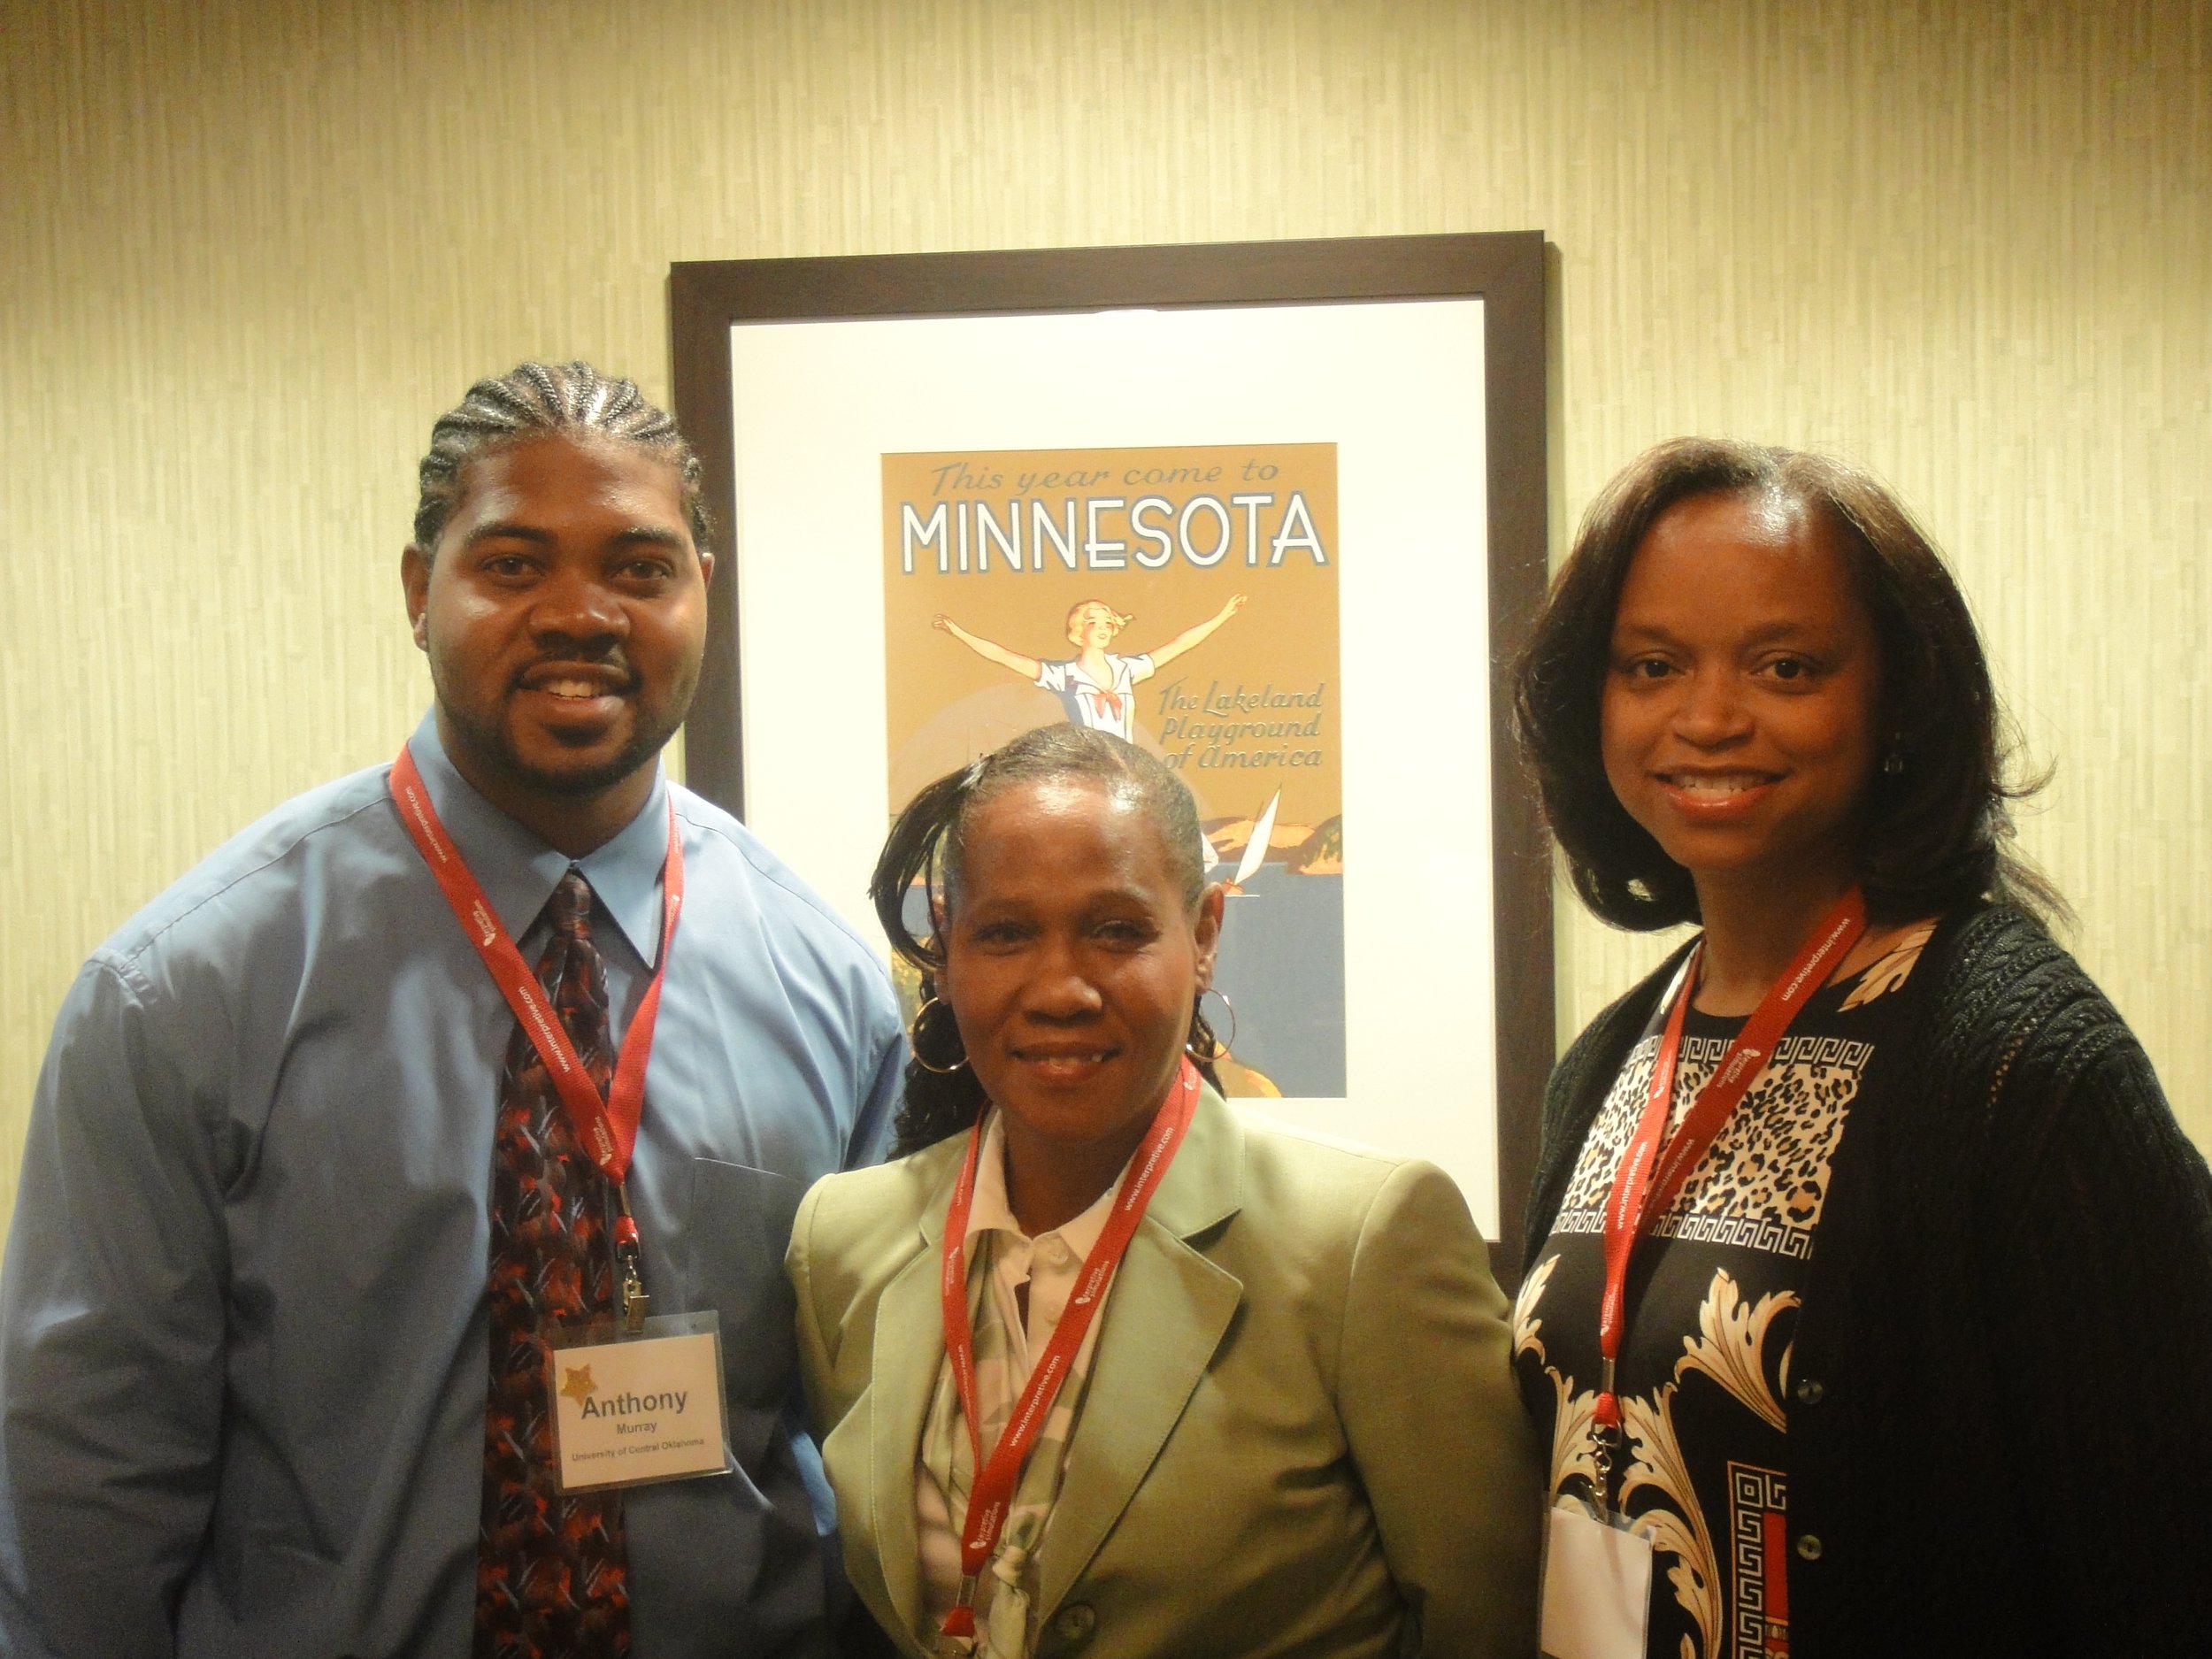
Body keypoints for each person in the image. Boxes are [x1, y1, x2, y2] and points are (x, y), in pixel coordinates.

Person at [0, 362, 904, 1657]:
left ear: (704, 589)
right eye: (514, 565)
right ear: (420, 591)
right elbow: (87, 1485)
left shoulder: (830, 990)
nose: (581, 613)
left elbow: (874, 1442)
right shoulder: (187, 993)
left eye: (640, 568)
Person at [1509, 437, 2212, 1658]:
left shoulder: (2017, 1064)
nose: (1708, 717)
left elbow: (2161, 1558)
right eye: (1653, 666)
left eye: (1785, 666)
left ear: (1898, 703)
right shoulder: (1610, 1060)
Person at [785, 726, 1541, 1659]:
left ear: (1206, 935)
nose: (1060, 989)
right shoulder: (842, 1243)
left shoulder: (1361, 1244)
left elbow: (1491, 1624)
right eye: (1006, 933)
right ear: (946, 951)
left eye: (1116, 930)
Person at [933, 594, 1246, 742]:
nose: (1103, 628)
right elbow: (1004, 656)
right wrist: (959, 633)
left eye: (1107, 622)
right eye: (1094, 622)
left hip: (1128, 763)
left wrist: (1223, 616)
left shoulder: (1126, 668)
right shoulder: (1063, 675)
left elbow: (1179, 644)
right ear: (1078, 631)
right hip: (1089, 763)